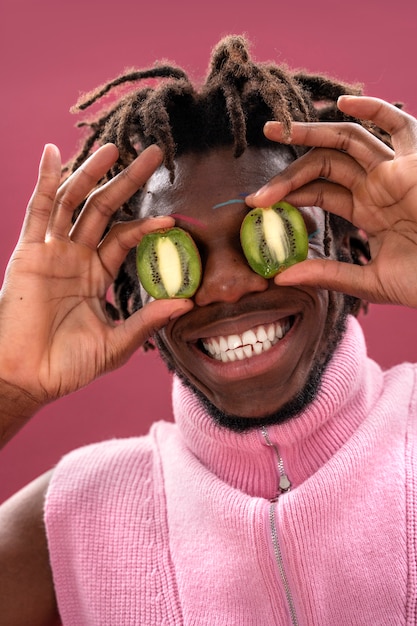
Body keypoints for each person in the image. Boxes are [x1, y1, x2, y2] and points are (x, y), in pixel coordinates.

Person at [0, 34, 416, 625]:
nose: (225, 286)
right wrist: (7, 387)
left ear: (346, 242)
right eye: (173, 255)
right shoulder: (69, 518)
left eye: (270, 231)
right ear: (132, 288)